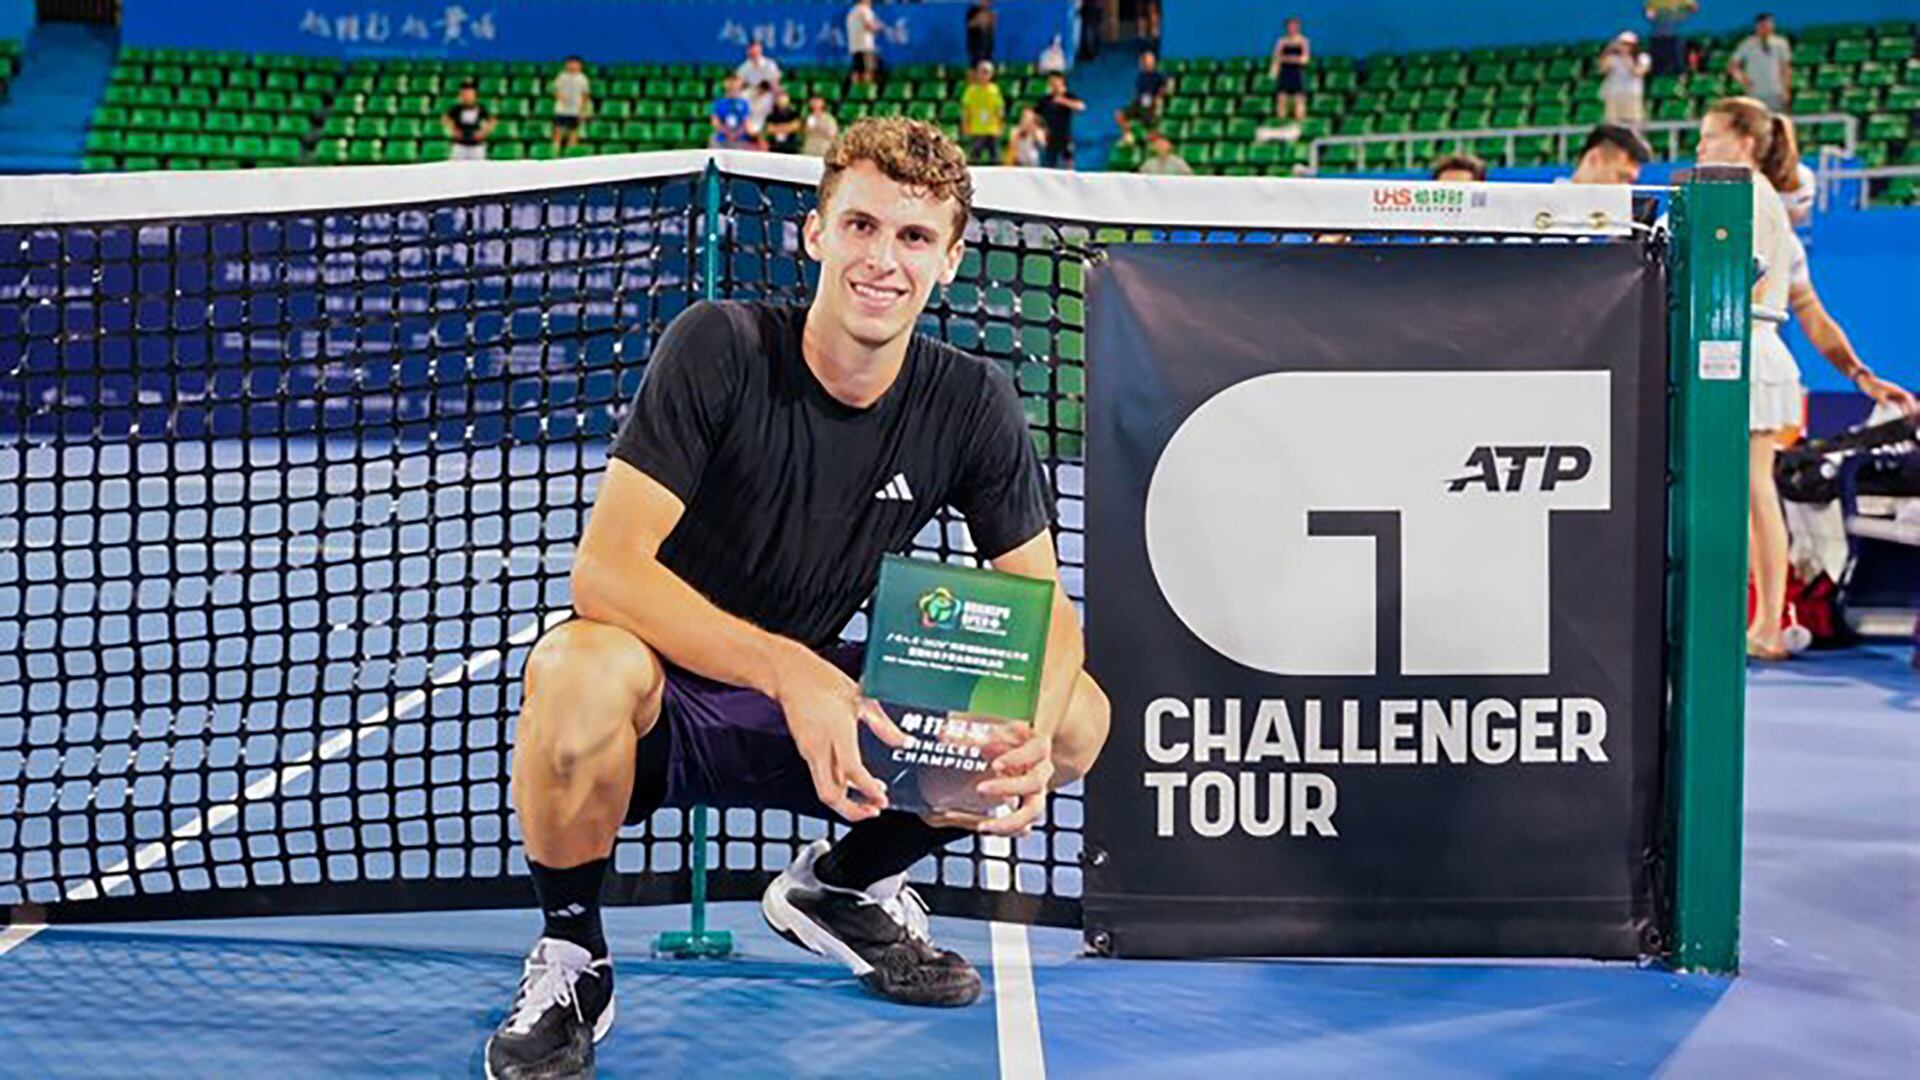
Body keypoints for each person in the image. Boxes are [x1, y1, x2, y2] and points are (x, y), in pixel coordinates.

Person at [481, 115, 1111, 1079]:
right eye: (860, 226)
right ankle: (573, 955)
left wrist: (1024, 730)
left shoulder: (972, 400)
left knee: (1076, 718)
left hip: (829, 725)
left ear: (949, 260)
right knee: (574, 673)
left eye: (913, 238)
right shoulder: (720, 346)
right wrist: (788, 669)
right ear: (815, 234)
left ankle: (841, 887)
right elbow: (604, 573)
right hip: (668, 705)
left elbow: (1043, 605)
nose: (882, 260)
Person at [1728, 13, 1793, 112]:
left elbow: (1786, 68)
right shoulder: (1747, 44)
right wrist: (1743, 80)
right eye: (1763, 25)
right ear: (1757, 26)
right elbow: (1732, 66)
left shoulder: (1781, 43)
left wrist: (1786, 90)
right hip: (1755, 94)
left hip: (1776, 93)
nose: (1767, 27)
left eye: (1769, 24)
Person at [1114, 50, 1171, 146]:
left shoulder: (1159, 75)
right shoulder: (1141, 76)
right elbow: (1138, 92)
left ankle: (1150, 140)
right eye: (1145, 61)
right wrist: (1134, 101)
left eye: (1150, 61)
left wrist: (1158, 99)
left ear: (1153, 62)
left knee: (1151, 129)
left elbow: (1165, 88)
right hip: (1138, 103)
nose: (1147, 63)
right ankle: (1128, 136)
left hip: (1150, 105)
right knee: (1119, 115)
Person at [1599, 31, 1652, 127]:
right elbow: (1603, 70)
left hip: (1632, 95)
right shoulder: (1612, 58)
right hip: (1614, 94)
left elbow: (1637, 72)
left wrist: (1626, 58)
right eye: (1621, 44)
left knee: (1634, 124)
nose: (1623, 47)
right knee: (1613, 124)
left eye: (1626, 45)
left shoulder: (1643, 58)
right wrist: (1607, 52)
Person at [1571, 123, 1653, 184]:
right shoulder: (1559, 202)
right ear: (1594, 159)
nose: (1625, 188)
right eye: (1621, 178)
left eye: (1629, 182)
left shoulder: (1624, 205)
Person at [1034, 72, 1085, 170]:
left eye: (1055, 81)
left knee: (1067, 165)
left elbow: (1080, 107)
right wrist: (1040, 130)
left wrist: (1063, 101)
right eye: (1050, 81)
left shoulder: (1068, 96)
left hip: (1065, 137)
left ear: (1061, 81)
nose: (1053, 84)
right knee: (1048, 165)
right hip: (1049, 138)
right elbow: (1036, 115)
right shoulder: (1045, 99)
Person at [960, 61, 1007, 166]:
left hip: (992, 129)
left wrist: (1001, 125)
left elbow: (1000, 109)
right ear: (977, 73)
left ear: (991, 74)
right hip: (976, 129)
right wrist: (965, 125)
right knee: (973, 158)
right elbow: (965, 109)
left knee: (995, 159)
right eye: (982, 72)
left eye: (987, 72)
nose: (984, 75)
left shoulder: (994, 90)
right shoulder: (971, 91)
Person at [1270, 17, 1311, 123]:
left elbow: (1305, 59)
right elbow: (1276, 57)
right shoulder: (1281, 41)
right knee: (1281, 100)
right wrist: (1274, 72)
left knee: (1299, 101)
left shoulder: (1303, 41)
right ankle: (1282, 124)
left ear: (1298, 27)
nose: (1292, 28)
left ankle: (1300, 125)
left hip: (1297, 73)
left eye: (1294, 26)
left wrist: (1290, 59)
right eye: (1289, 26)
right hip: (1284, 73)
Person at [443, 81, 495, 162]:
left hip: (477, 145)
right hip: (460, 145)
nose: (466, 97)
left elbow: (492, 121)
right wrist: (453, 131)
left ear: (474, 95)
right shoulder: (456, 108)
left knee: (479, 170)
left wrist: (483, 133)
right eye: (464, 94)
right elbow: (445, 119)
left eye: (469, 94)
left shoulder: (481, 108)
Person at [1646, 0, 1699, 77]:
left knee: (1678, 68)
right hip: (1658, 38)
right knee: (1658, 70)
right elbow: (1649, 15)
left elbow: (1695, 8)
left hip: (1676, 39)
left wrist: (1686, 6)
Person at [550, 57, 592, 154]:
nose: (573, 66)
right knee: (558, 131)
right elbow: (556, 91)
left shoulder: (583, 79)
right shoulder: (561, 77)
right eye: (570, 63)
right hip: (561, 110)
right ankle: (554, 152)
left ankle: (570, 153)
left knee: (573, 133)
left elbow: (585, 96)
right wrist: (560, 98)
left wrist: (583, 110)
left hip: (575, 110)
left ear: (580, 65)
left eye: (575, 64)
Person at [710, 75, 759, 150]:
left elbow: (746, 123)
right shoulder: (719, 103)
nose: (733, 87)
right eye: (731, 85)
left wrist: (736, 134)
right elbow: (715, 122)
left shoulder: (744, 104)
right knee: (713, 139)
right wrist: (727, 133)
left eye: (735, 86)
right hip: (722, 139)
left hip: (739, 140)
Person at [847, 0, 881, 87]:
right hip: (865, 47)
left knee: (857, 71)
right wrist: (878, 27)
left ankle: (855, 93)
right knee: (867, 71)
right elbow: (869, 26)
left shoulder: (852, 11)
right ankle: (866, 95)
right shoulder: (865, 10)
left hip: (854, 47)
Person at [966, 0, 996, 67]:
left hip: (987, 47)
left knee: (987, 65)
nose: (986, 3)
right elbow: (969, 25)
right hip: (975, 46)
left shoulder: (991, 13)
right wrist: (978, 19)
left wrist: (992, 21)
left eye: (989, 2)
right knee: (975, 65)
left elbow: (992, 31)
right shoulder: (973, 10)